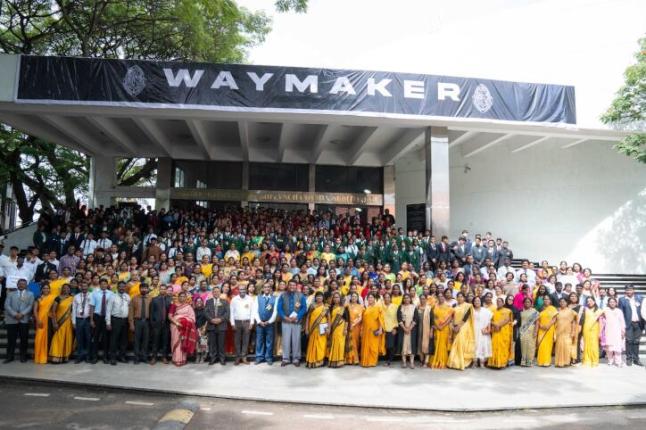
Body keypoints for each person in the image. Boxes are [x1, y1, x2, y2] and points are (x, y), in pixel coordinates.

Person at [4, 279, 35, 363]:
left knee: (24, 339)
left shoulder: (30, 294)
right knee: (11, 339)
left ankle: (23, 356)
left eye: (23, 284)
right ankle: (9, 357)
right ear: (17, 285)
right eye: (20, 284)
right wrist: (15, 314)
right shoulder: (10, 294)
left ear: (26, 285)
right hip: (12, 319)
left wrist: (22, 314)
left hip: (24, 319)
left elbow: (30, 306)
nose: (21, 285)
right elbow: (7, 305)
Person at [277, 280, 307, 367]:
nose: (292, 287)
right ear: (288, 286)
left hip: (296, 321)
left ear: (296, 286)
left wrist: (297, 317)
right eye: (290, 285)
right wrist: (284, 317)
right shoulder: (283, 295)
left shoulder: (301, 295)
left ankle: (296, 358)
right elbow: (279, 308)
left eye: (294, 285)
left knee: (296, 340)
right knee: (286, 340)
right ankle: (285, 359)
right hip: (285, 321)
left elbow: (304, 308)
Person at [447, 292, 475, 370]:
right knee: (455, 344)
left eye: (461, 296)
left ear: (464, 298)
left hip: (464, 327)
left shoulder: (468, 306)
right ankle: (454, 362)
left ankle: (463, 362)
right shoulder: (454, 306)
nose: (460, 298)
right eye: (458, 296)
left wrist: (459, 327)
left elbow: (465, 317)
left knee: (460, 343)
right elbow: (451, 317)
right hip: (454, 326)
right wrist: (452, 326)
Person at [89, 278, 114, 364]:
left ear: (107, 285)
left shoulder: (111, 294)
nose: (103, 285)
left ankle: (105, 357)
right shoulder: (94, 293)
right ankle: (94, 357)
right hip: (97, 317)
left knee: (106, 338)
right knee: (95, 337)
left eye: (105, 284)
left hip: (107, 317)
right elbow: (92, 306)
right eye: (102, 284)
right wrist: (91, 319)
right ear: (99, 285)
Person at [169, 291, 197, 366]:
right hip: (176, 326)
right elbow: (170, 316)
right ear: (178, 297)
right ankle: (176, 359)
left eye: (183, 296)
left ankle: (183, 359)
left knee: (183, 342)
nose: (182, 298)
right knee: (176, 341)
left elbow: (192, 318)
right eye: (180, 296)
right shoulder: (174, 305)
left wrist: (186, 321)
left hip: (186, 327)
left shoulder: (188, 306)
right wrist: (177, 323)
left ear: (186, 298)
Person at [618, 285, 644, 366]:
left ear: (633, 290)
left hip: (639, 323)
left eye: (630, 290)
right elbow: (620, 313)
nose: (629, 291)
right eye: (627, 290)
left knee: (636, 341)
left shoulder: (640, 298)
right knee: (629, 341)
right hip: (628, 324)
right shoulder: (622, 300)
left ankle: (636, 359)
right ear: (625, 291)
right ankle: (629, 359)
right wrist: (622, 325)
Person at [48, 283, 74, 363]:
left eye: (68, 288)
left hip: (69, 322)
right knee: (58, 338)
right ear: (62, 289)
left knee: (67, 338)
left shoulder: (72, 298)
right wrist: (54, 322)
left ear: (70, 289)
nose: (66, 289)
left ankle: (65, 356)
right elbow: (53, 311)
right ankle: (55, 356)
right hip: (59, 322)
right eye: (64, 288)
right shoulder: (58, 298)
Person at [106, 281, 130, 365]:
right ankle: (113, 358)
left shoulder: (127, 296)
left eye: (123, 286)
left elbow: (129, 308)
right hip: (115, 320)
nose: (122, 288)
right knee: (114, 340)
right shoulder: (112, 296)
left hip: (125, 320)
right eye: (120, 286)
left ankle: (122, 356)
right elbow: (108, 310)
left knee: (124, 340)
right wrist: (108, 323)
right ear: (117, 287)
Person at [253, 283, 277, 365]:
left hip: (269, 324)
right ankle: (259, 357)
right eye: (265, 287)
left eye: (268, 287)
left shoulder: (274, 298)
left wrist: (269, 321)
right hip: (260, 324)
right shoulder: (258, 298)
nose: (267, 288)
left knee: (269, 341)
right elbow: (255, 311)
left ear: (270, 288)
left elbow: (275, 312)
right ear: (262, 289)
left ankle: (268, 357)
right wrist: (259, 321)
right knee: (259, 341)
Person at [230, 284, 254, 365]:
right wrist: (232, 323)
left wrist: (251, 322)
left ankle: (244, 357)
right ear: (238, 290)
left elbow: (252, 311)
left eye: (243, 289)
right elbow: (231, 312)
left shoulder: (250, 299)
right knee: (237, 341)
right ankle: (237, 357)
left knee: (246, 340)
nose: (242, 291)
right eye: (240, 289)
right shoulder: (234, 299)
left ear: (246, 290)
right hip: (237, 322)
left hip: (247, 322)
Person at [129, 282, 152, 364]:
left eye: (145, 288)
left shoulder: (150, 298)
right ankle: (136, 358)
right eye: (142, 288)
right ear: (139, 289)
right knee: (137, 340)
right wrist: (131, 324)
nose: (144, 289)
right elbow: (131, 312)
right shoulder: (134, 298)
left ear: (147, 289)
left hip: (147, 322)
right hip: (137, 321)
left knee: (146, 340)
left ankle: (144, 357)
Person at [360, 293, 385, 367]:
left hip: (374, 330)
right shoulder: (366, 308)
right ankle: (366, 361)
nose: (370, 299)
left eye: (372, 297)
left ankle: (372, 362)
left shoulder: (378, 307)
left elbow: (381, 319)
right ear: (367, 299)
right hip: (366, 330)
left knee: (373, 346)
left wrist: (380, 329)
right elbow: (363, 320)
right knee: (366, 346)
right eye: (369, 298)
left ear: (374, 299)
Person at [32, 284, 55, 364]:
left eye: (47, 288)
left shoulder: (53, 298)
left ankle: (47, 356)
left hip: (49, 320)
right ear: (41, 289)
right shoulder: (38, 298)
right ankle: (39, 356)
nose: (46, 289)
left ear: (49, 289)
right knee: (39, 338)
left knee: (49, 338)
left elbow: (54, 309)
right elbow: (35, 311)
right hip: (40, 320)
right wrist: (38, 320)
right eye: (44, 288)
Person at [305, 292, 329, 368]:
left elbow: (329, 318)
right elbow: (308, 317)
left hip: (322, 329)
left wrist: (329, 328)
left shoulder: (326, 307)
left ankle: (320, 361)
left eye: (320, 296)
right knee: (313, 344)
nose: (319, 298)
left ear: (323, 298)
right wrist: (306, 328)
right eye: (317, 296)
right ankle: (312, 360)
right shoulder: (312, 306)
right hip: (313, 328)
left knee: (321, 344)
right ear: (315, 298)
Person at [150, 284, 172, 364]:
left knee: (165, 341)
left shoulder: (169, 300)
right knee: (155, 341)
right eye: (161, 289)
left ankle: (164, 357)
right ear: (159, 290)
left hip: (166, 324)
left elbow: (171, 312)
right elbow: (151, 312)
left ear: (166, 290)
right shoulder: (154, 299)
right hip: (157, 324)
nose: (163, 290)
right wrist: (152, 324)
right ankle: (154, 357)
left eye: (164, 289)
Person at [431, 292, 454, 369]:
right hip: (436, 327)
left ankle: (442, 360)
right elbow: (433, 317)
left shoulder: (448, 307)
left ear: (444, 297)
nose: (440, 298)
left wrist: (442, 326)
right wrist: (437, 326)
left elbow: (450, 318)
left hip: (445, 328)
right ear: (437, 298)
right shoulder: (434, 306)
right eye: (439, 296)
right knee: (436, 343)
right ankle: (436, 359)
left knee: (443, 344)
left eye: (442, 296)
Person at [489, 297, 513, 369]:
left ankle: (502, 363)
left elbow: (507, 320)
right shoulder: (493, 311)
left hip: (504, 332)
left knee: (503, 347)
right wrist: (495, 324)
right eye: (497, 301)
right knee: (494, 346)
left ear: (503, 303)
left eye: (500, 301)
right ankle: (494, 363)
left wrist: (499, 325)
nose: (498, 303)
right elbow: (490, 320)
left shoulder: (508, 311)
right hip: (495, 331)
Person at [397, 293, 419, 368]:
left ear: (410, 299)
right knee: (403, 345)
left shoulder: (414, 307)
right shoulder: (400, 307)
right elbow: (399, 318)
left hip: (412, 330)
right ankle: (404, 362)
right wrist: (404, 328)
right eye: (405, 298)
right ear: (403, 299)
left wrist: (409, 328)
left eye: (408, 298)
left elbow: (416, 318)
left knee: (412, 345)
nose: (406, 299)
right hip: (402, 329)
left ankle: (412, 362)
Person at [71, 282, 92, 363]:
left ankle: (88, 356)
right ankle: (80, 356)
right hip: (78, 319)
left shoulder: (92, 295)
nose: (84, 288)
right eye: (83, 286)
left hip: (88, 319)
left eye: (85, 286)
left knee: (88, 338)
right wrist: (73, 322)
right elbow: (74, 309)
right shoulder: (76, 296)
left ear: (88, 287)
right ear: (80, 287)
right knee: (79, 338)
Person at [602, 297, 625, 367]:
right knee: (609, 347)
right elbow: (601, 319)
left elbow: (622, 321)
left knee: (617, 347)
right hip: (608, 331)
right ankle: (610, 361)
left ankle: (618, 361)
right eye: (610, 302)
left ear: (616, 303)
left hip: (617, 331)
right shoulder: (605, 310)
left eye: (613, 302)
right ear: (608, 303)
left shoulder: (619, 311)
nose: (612, 303)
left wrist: (623, 330)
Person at [327, 291, 348, 368]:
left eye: (337, 297)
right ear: (333, 299)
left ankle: (339, 361)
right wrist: (329, 328)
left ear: (340, 298)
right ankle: (333, 360)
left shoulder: (343, 308)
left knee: (340, 344)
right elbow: (329, 319)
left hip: (341, 328)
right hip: (333, 328)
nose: (336, 299)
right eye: (335, 297)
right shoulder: (330, 308)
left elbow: (347, 319)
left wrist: (345, 329)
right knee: (334, 343)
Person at [555, 298, 577, 368]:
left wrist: (573, 331)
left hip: (568, 331)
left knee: (567, 347)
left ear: (567, 303)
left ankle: (566, 362)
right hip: (559, 331)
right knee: (559, 347)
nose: (562, 303)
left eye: (564, 301)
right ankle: (559, 362)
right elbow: (554, 321)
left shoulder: (571, 311)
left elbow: (574, 322)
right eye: (561, 302)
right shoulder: (557, 311)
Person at [581, 296, 603, 367]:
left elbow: (601, 322)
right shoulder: (584, 309)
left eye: (590, 301)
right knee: (586, 344)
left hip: (595, 329)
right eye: (587, 301)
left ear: (594, 301)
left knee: (594, 345)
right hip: (586, 328)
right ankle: (587, 360)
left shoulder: (599, 310)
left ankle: (594, 361)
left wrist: (600, 332)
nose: (589, 302)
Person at [537, 296, 558, 367]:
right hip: (541, 329)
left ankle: (547, 361)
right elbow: (537, 319)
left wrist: (548, 326)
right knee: (541, 345)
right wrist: (541, 325)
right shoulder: (540, 308)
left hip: (549, 329)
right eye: (544, 299)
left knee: (548, 345)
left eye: (547, 299)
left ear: (550, 300)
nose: (546, 300)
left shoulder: (553, 308)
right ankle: (540, 362)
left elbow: (554, 319)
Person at [518, 297, 539, 367]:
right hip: (523, 331)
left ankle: (530, 362)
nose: (527, 303)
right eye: (525, 302)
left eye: (528, 302)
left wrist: (535, 331)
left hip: (531, 331)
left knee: (531, 346)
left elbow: (537, 322)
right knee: (523, 346)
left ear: (531, 303)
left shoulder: (534, 311)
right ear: (523, 303)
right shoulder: (521, 311)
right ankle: (523, 362)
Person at [472, 296, 492, 367]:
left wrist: (488, 330)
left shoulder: (485, 311)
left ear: (481, 302)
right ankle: (474, 362)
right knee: (474, 345)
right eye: (475, 301)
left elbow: (489, 321)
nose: (477, 302)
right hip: (473, 330)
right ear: (473, 302)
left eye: (478, 300)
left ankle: (482, 362)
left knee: (483, 345)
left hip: (483, 330)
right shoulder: (471, 310)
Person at [346, 292, 364, 365]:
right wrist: (348, 325)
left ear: (357, 298)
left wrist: (353, 324)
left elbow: (360, 317)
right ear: (350, 297)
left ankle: (355, 359)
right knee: (349, 343)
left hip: (356, 327)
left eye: (355, 296)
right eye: (352, 296)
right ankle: (349, 359)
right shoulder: (347, 306)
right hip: (348, 326)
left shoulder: (360, 307)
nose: (354, 298)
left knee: (355, 343)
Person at [382, 292, 399, 366]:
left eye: (388, 297)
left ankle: (389, 360)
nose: (387, 299)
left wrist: (395, 328)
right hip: (383, 328)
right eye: (385, 297)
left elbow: (397, 317)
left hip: (391, 328)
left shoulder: (395, 306)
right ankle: (387, 359)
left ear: (390, 298)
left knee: (390, 345)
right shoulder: (381, 307)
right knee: (385, 345)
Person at [416, 294, 434, 366]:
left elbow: (432, 321)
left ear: (426, 300)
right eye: (421, 299)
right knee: (420, 344)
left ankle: (426, 361)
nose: (422, 300)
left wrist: (431, 331)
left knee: (427, 345)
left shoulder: (429, 308)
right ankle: (421, 360)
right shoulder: (417, 308)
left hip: (427, 329)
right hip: (419, 329)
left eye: (424, 299)